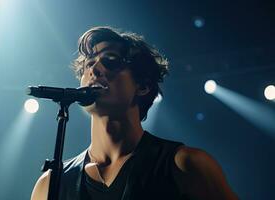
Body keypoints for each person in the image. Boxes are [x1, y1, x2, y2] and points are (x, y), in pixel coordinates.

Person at [31, 26, 238, 200]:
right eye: (88, 64)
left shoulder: (186, 166)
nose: (94, 69)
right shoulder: (51, 185)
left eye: (110, 60)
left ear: (143, 85)